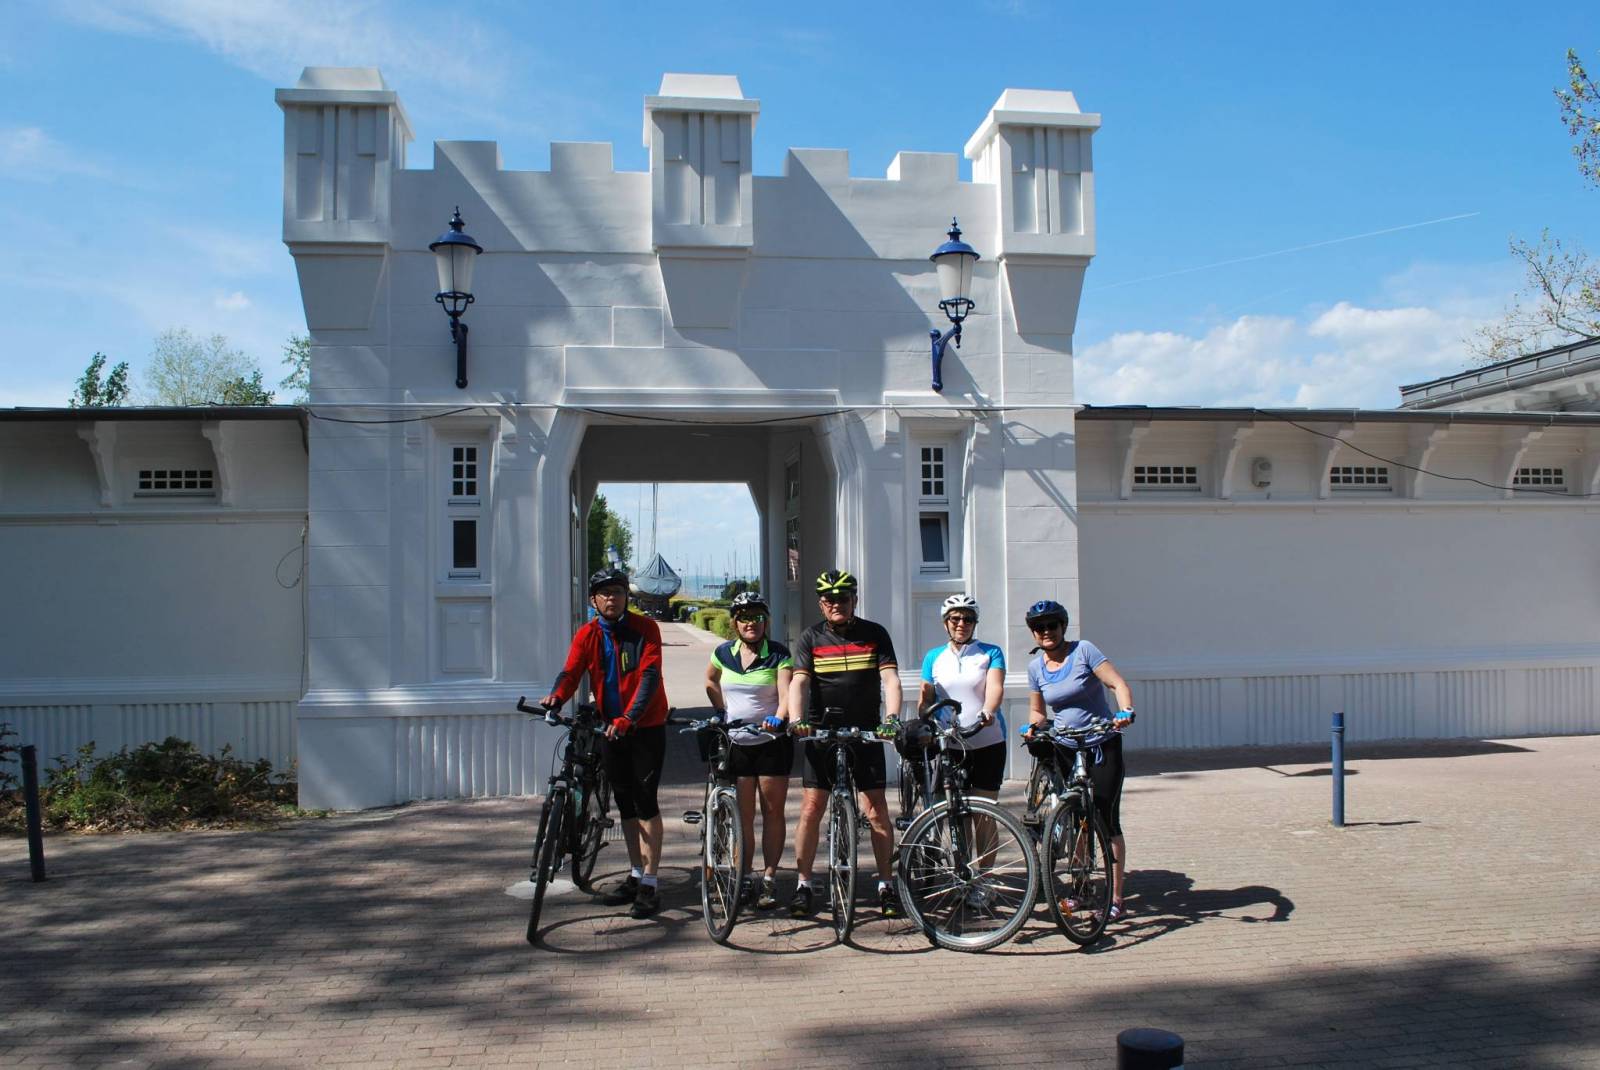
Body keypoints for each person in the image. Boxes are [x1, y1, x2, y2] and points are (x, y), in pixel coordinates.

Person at [540, 567, 669, 919]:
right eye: (605, 593)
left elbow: (650, 677)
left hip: (644, 728)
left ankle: (651, 882)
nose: (612, 598)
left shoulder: (646, 629)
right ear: (593, 600)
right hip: (610, 729)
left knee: (646, 803)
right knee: (625, 804)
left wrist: (630, 718)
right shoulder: (588, 633)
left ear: (627, 596)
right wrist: (556, 697)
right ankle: (636, 873)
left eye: (618, 592)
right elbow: (571, 671)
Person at [787, 569, 903, 919]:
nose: (836, 604)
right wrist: (797, 719)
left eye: (843, 598)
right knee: (811, 808)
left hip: (865, 732)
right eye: (829, 600)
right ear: (821, 604)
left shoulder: (875, 633)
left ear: (855, 600)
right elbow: (799, 683)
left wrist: (892, 718)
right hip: (822, 732)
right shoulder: (811, 637)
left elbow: (890, 679)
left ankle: (886, 884)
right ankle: (804, 884)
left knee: (877, 810)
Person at [1020, 599, 1136, 922]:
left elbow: (1117, 684)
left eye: (1051, 625)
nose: (1046, 631)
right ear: (1033, 632)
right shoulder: (1035, 668)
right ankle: (1082, 890)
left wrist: (1125, 711)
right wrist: (1033, 727)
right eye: (1039, 627)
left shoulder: (1084, 651)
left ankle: (1116, 898)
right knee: (1076, 820)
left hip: (1101, 743)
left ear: (1062, 627)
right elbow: (1038, 711)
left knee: (1104, 819)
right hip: (1066, 747)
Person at [704, 591, 794, 910]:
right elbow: (710, 681)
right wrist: (720, 711)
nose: (750, 623)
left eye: (757, 617)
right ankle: (743, 876)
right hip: (737, 744)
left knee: (772, 813)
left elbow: (786, 693)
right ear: (735, 622)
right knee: (742, 817)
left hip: (771, 743)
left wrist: (779, 717)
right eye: (743, 617)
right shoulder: (723, 653)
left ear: (765, 621)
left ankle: (769, 878)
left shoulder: (778, 653)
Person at [916, 593, 1007, 802]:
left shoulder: (991, 652)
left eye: (968, 619)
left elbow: (995, 687)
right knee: (952, 810)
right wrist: (924, 719)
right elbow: (926, 698)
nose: (961, 624)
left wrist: (988, 710)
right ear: (945, 623)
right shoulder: (933, 656)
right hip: (949, 744)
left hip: (988, 740)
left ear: (975, 623)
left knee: (984, 810)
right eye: (955, 618)